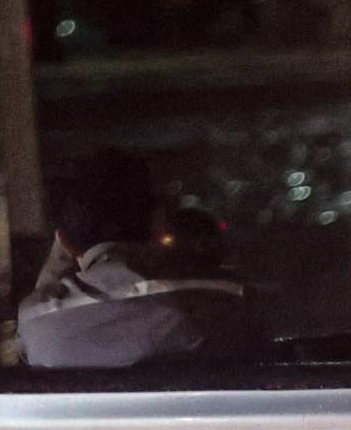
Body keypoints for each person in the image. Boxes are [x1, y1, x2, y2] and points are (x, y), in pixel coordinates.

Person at [17, 148, 255, 368]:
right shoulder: (229, 302)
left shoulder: (37, 320)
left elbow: (27, 352)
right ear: (159, 223)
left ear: (63, 242)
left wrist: (49, 285)